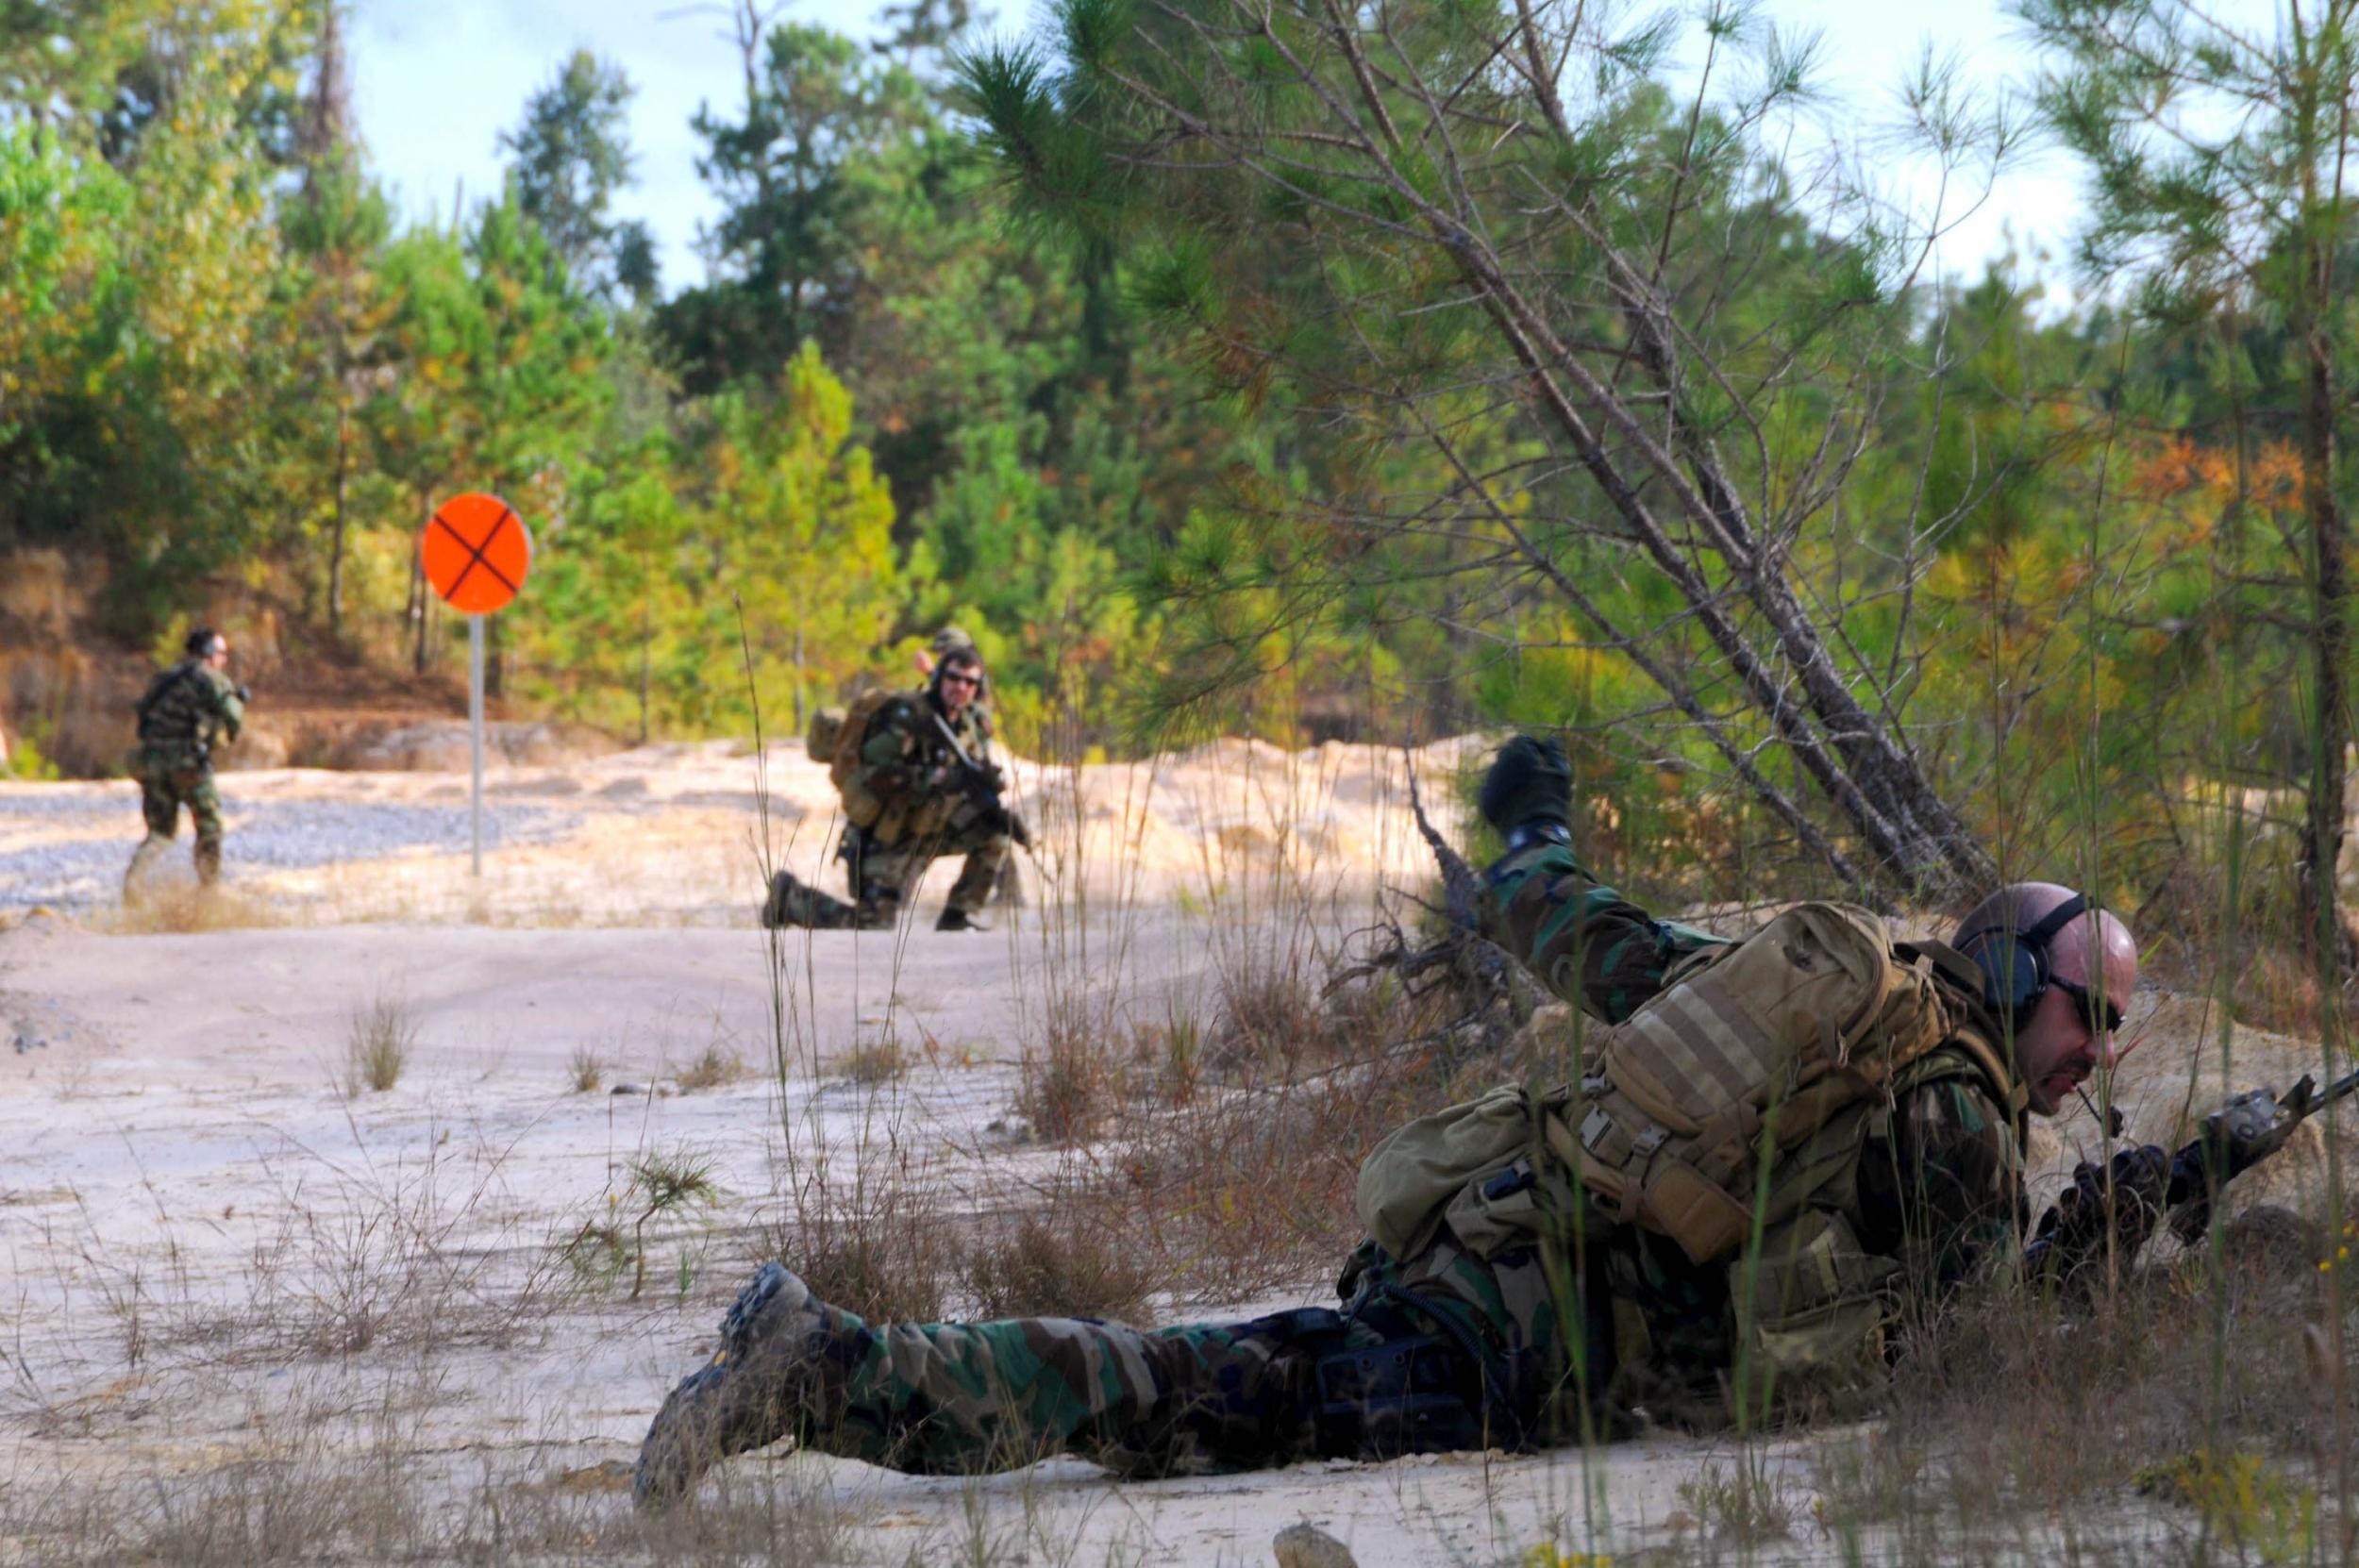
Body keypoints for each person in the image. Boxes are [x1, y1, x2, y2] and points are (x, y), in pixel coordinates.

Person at [635, 735, 2155, 1505]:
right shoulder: (1952, 1108)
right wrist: (2140, 1219)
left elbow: (1577, 933)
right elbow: (1976, 1344)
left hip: (1486, 1264)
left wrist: (1538, 831)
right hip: (1514, 1343)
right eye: (2088, 1012)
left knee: (1201, 1380)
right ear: (2019, 978)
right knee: (1174, 1392)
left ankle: (827, 1366)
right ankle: (825, 1366)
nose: (2095, 1050)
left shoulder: (1845, 991)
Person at [832, 627, 1025, 932]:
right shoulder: (909, 714)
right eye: (953, 678)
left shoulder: (968, 725)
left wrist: (993, 808)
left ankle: (957, 916)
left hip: (932, 828)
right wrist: (934, 778)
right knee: (874, 924)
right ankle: (790, 899)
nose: (960, 687)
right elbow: (874, 774)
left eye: (969, 682)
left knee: (995, 832)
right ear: (939, 677)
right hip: (891, 835)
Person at [124, 626, 247, 895]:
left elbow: (144, 716)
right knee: (210, 826)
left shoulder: (164, 678)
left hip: (152, 762)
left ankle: (134, 882)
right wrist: (230, 728)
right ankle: (208, 892)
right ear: (208, 654)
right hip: (187, 763)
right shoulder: (210, 678)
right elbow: (233, 716)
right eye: (221, 653)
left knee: (160, 832)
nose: (224, 660)